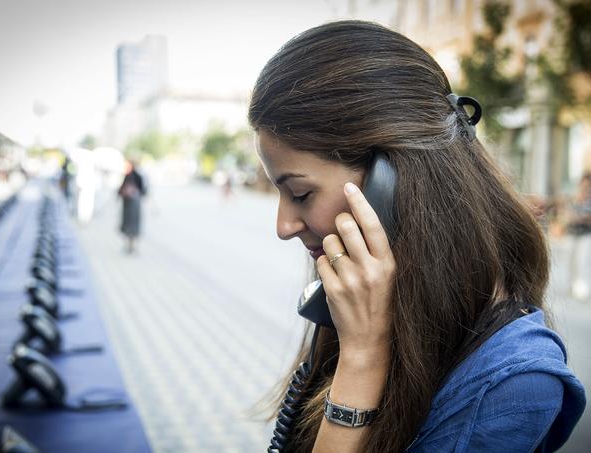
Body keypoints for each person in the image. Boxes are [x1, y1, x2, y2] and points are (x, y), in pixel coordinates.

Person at [249, 21, 585, 452]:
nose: (284, 226)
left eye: (300, 193)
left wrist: (363, 359)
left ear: (388, 184)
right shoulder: (365, 301)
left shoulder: (515, 387)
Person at [566, 172, 591, 301]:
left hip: (586, 234)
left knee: (582, 260)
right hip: (573, 233)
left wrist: (582, 218)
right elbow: (568, 213)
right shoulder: (576, 197)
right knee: (572, 260)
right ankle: (573, 283)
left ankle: (581, 285)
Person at [118, 159, 147, 253]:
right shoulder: (129, 175)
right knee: (129, 225)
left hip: (133, 204)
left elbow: (143, 190)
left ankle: (132, 246)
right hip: (128, 204)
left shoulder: (136, 176)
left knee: (132, 225)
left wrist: (132, 191)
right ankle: (129, 245)